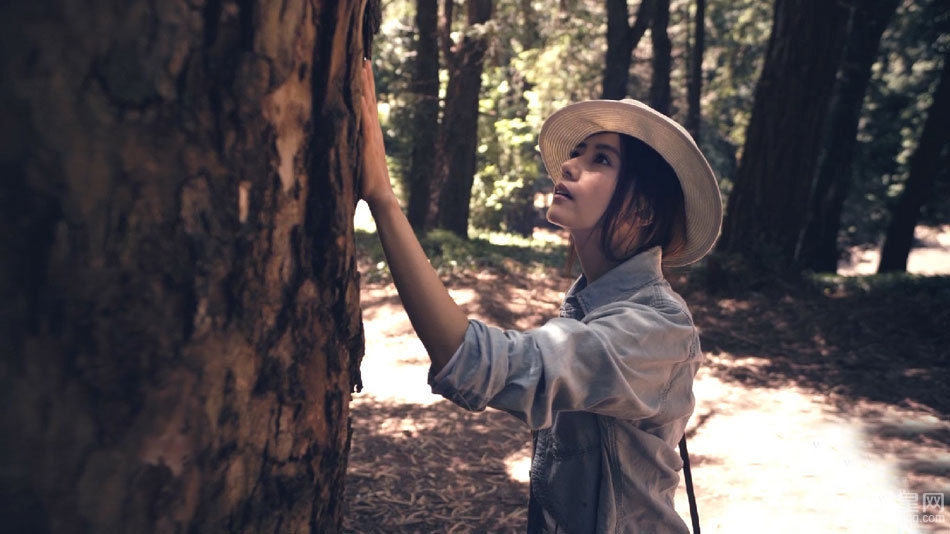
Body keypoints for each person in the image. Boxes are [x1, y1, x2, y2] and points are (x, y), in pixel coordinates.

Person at [359, 60, 722, 534]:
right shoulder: (591, 307)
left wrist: (382, 196)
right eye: (578, 152)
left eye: (601, 160)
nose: (570, 164)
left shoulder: (654, 330)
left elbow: (471, 361)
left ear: (642, 210)